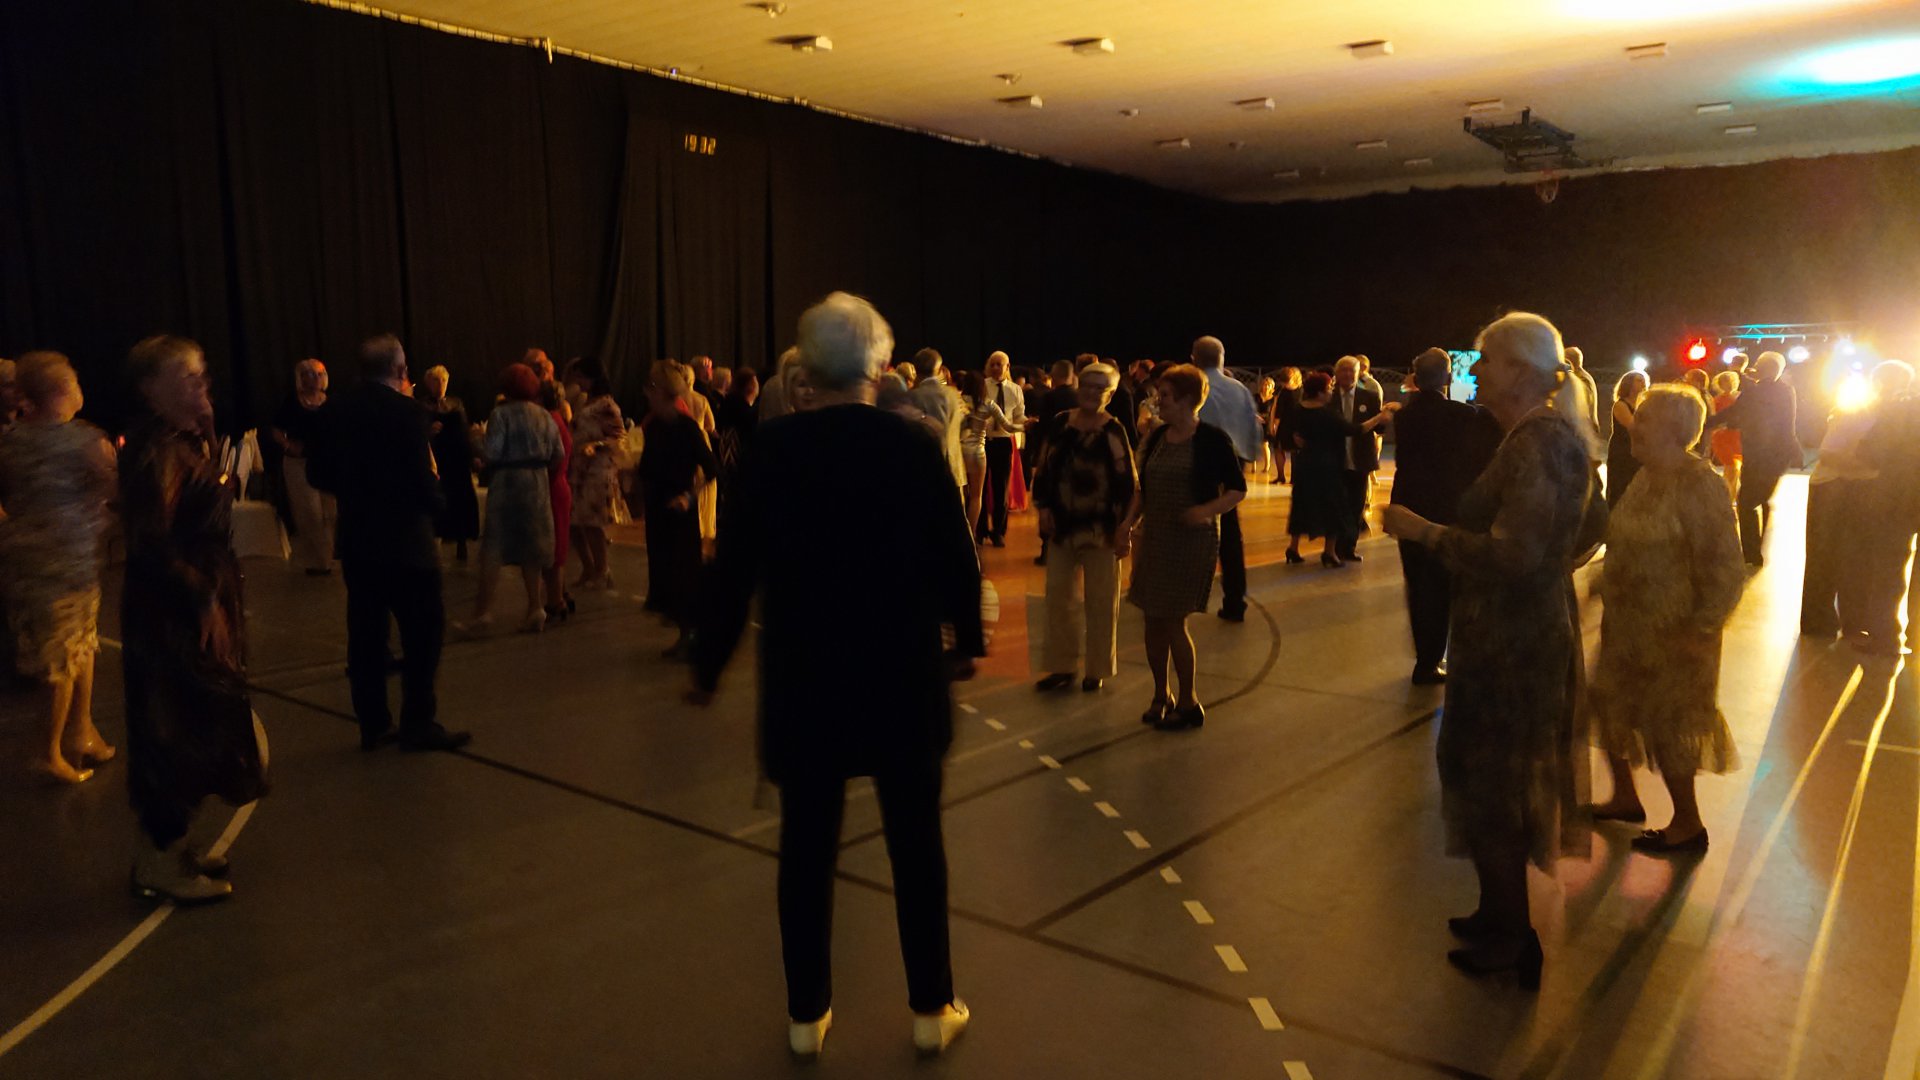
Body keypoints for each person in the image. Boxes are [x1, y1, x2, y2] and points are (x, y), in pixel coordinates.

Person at [691, 293, 981, 1060]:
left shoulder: (771, 451)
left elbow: (733, 571)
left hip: (805, 677)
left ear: (807, 369)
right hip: (901, 674)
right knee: (916, 846)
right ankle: (931, 1006)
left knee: (806, 849)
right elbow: (955, 555)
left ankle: (806, 1014)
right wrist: (968, 639)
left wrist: (709, 663)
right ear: (878, 368)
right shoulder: (913, 445)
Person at [1382, 311, 1605, 990]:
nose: (1475, 371)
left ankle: (1513, 937)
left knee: (1498, 783)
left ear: (1518, 371)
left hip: (1515, 641)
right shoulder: (1541, 437)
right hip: (1507, 631)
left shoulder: (1539, 444)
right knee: (1485, 777)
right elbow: (1580, 531)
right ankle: (1497, 912)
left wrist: (1425, 532)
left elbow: (1514, 555)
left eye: (1486, 360)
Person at [120, 335, 271, 903]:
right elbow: (151, 541)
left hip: (195, 599)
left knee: (199, 723)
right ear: (150, 389)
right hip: (174, 613)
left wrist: (207, 436)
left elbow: (203, 504)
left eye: (202, 375)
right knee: (176, 728)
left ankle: (170, 846)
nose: (202, 385)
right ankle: (159, 861)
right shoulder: (156, 450)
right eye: (187, 377)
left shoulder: (181, 442)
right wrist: (202, 600)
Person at [1588, 386, 1745, 854]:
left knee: (1670, 723)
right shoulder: (1646, 476)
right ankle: (1625, 797)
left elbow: (1725, 565)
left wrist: (1703, 628)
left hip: (1676, 632)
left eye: (1646, 419)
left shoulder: (1699, 484)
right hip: (1628, 626)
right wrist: (1603, 580)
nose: (1634, 425)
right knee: (1611, 704)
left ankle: (1688, 823)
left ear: (1675, 430)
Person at [309, 334, 470, 753]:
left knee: (366, 633)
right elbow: (419, 477)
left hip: (359, 537)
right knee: (422, 633)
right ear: (400, 371)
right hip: (406, 540)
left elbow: (317, 473)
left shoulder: (335, 411)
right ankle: (418, 721)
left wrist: (356, 492)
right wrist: (439, 503)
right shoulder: (408, 413)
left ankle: (373, 723)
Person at [0, 352, 117, 784]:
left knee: (81, 646)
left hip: (36, 563)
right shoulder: (82, 441)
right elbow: (117, 489)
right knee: (59, 662)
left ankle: (81, 731)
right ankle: (46, 752)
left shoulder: (11, 440)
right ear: (63, 390)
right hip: (62, 566)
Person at [1128, 364, 1247, 730]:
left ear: (1187, 400)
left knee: (1173, 620)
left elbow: (1237, 490)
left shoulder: (1211, 440)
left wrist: (1204, 511)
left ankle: (1188, 700)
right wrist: (1126, 525)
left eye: (1165, 396)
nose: (1158, 402)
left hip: (1191, 543)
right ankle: (1160, 694)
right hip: (1156, 537)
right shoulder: (1157, 438)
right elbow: (1142, 490)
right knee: (1152, 618)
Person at [1389, 349, 1503, 684]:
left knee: (1418, 587)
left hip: (1409, 507)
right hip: (1449, 511)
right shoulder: (1466, 416)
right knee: (1446, 588)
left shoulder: (1404, 417)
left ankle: (1425, 660)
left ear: (1415, 378)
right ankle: (1446, 658)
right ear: (1449, 377)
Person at [1032, 362, 1137, 694]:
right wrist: (1043, 507)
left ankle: (1097, 669)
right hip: (1062, 525)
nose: (1091, 392)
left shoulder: (1113, 431)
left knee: (1102, 601)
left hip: (1102, 529)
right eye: (1087, 385)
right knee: (1057, 598)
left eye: (1100, 388)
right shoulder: (1061, 422)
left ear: (1110, 395)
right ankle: (1061, 667)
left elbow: (1128, 484)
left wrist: (1125, 528)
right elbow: (1044, 467)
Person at [1803, 360, 1915, 649]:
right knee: (1836, 558)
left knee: (1860, 561)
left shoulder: (1890, 411)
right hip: (1838, 487)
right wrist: (1872, 470)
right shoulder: (1862, 409)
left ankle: (1862, 627)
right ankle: (1829, 622)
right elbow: (1829, 453)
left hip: (1864, 492)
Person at [465, 364, 565, 635]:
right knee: (532, 549)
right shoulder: (544, 416)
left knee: (494, 548)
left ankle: (482, 612)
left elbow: (492, 452)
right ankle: (535, 607)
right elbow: (558, 454)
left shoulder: (501, 415)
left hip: (507, 484)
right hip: (537, 484)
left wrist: (475, 439)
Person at [639, 360, 718, 658]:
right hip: (657, 509)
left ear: (661, 390)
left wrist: (689, 496)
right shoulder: (654, 426)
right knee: (665, 573)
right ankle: (685, 635)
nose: (646, 392)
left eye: (651, 387)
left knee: (683, 574)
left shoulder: (686, 428)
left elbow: (712, 469)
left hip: (679, 511)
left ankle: (693, 635)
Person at [1286, 371, 1397, 567]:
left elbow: (1289, 433)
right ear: (1320, 393)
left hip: (1305, 464)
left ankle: (1293, 548)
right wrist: (1378, 418)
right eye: (1328, 389)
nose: (1331, 392)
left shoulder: (1298, 409)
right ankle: (1330, 553)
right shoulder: (1327, 414)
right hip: (1327, 466)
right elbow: (1355, 430)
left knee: (1301, 504)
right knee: (1334, 507)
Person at [1703, 351, 1799, 566]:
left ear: (1764, 368)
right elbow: (1788, 424)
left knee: (1746, 503)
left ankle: (1752, 553)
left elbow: (1733, 412)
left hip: (1756, 454)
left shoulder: (1754, 392)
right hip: (1777, 456)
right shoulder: (1786, 390)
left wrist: (1703, 423)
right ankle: (1758, 548)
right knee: (1762, 499)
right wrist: (1794, 449)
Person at [1191, 336, 1262, 621]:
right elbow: (1254, 429)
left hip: (1199, 464)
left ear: (1195, 358)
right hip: (1233, 464)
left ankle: (1184, 595)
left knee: (1191, 527)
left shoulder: (1193, 385)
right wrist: (1248, 457)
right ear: (1222, 358)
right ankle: (1234, 600)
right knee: (1230, 533)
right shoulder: (1239, 389)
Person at [271, 359, 337, 575]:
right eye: (310, 374)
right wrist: (288, 445)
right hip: (298, 462)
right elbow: (276, 429)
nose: (316, 378)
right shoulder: (292, 402)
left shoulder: (331, 403)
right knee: (309, 511)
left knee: (330, 511)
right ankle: (318, 560)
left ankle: (328, 556)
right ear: (301, 377)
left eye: (320, 374)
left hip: (326, 461)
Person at [566, 358, 625, 591]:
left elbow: (619, 437)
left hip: (597, 470)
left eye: (581, 376)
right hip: (579, 469)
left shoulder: (607, 405)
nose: (578, 381)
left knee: (592, 523)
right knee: (575, 522)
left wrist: (596, 445)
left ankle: (602, 570)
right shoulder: (585, 401)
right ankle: (588, 568)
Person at [419, 365, 480, 565]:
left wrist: (472, 456)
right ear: (428, 383)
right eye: (436, 381)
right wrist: (428, 431)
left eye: (443, 380)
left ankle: (461, 540)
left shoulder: (456, 403)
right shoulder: (422, 406)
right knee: (438, 500)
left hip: (457, 460)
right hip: (438, 460)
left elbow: (464, 432)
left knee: (460, 500)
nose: (440, 385)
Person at [1330, 356, 1384, 562]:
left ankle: (1349, 548)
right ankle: (1334, 548)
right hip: (1335, 460)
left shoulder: (1369, 396)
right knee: (1337, 505)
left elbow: (1380, 428)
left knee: (1356, 505)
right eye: (1342, 370)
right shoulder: (1328, 397)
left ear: (1358, 373)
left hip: (1360, 460)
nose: (1347, 374)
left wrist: (1385, 417)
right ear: (1336, 373)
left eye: (1350, 370)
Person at [535, 370, 576, 623]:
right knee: (556, 542)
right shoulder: (558, 419)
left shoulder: (548, 422)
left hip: (552, 486)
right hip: (558, 485)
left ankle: (555, 599)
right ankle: (559, 592)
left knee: (553, 545)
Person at [977, 350, 1026, 547]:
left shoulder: (1015, 390)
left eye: (1000, 364)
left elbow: (1018, 416)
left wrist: (1026, 423)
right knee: (980, 489)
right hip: (983, 441)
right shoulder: (982, 387)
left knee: (1001, 490)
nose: (996, 368)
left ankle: (999, 531)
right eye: (993, 364)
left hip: (1004, 442)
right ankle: (980, 530)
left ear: (1007, 367)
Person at [910, 348, 967, 495]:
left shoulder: (913, 397)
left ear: (915, 368)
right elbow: (965, 427)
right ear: (939, 369)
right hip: (954, 469)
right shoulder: (953, 395)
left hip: (925, 473)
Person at [956, 371, 1003, 541]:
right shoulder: (988, 404)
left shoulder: (957, 402)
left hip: (959, 452)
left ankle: (958, 533)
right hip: (977, 452)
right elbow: (1007, 425)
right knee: (977, 496)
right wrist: (1024, 425)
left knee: (961, 495)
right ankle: (970, 535)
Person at [1606, 370, 1650, 507]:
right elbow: (1632, 426)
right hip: (1622, 450)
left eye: (1644, 380)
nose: (1643, 383)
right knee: (1620, 487)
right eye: (1639, 380)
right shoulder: (1621, 405)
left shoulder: (1643, 406)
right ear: (1628, 384)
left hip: (1637, 450)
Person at [1708, 370, 1743, 506]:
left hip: (1736, 437)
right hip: (1723, 437)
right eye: (1724, 382)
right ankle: (1726, 498)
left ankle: (1729, 497)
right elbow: (1714, 418)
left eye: (1729, 381)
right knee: (1731, 467)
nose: (1727, 384)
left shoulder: (1739, 398)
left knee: (1735, 469)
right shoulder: (1717, 400)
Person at [1272, 366, 1303, 483]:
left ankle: (1284, 477)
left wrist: (1275, 425)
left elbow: (1279, 412)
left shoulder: (1284, 392)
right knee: (1292, 451)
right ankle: (1290, 477)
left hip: (1287, 425)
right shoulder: (1301, 391)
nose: (1284, 384)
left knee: (1282, 449)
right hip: (1295, 424)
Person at [1564, 347, 1599, 427]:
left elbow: (1580, 404)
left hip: (1584, 427)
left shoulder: (1582, 380)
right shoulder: (1583, 377)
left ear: (1569, 361)